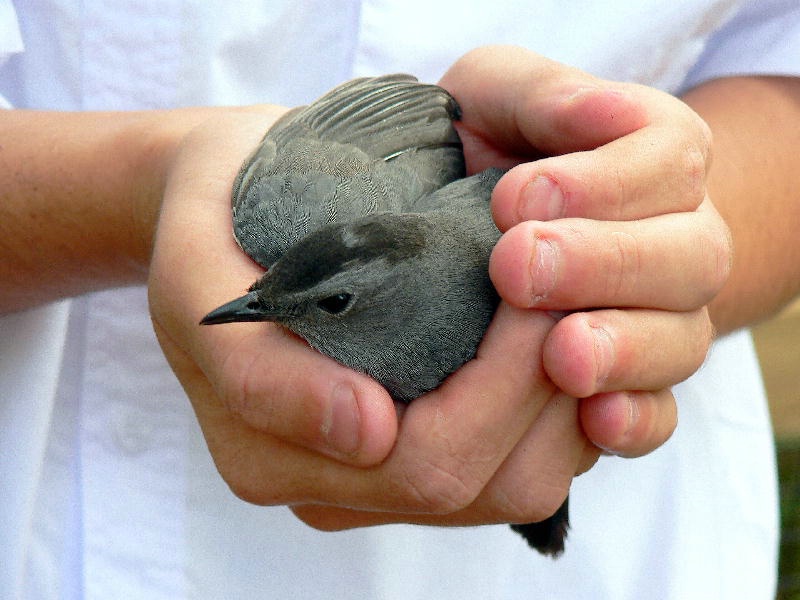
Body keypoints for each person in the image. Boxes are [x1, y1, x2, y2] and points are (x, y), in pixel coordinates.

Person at [1, 1, 798, 598]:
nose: (257, 306)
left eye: (335, 306)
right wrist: (143, 189)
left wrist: (653, 254)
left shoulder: (503, 267)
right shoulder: (282, 211)